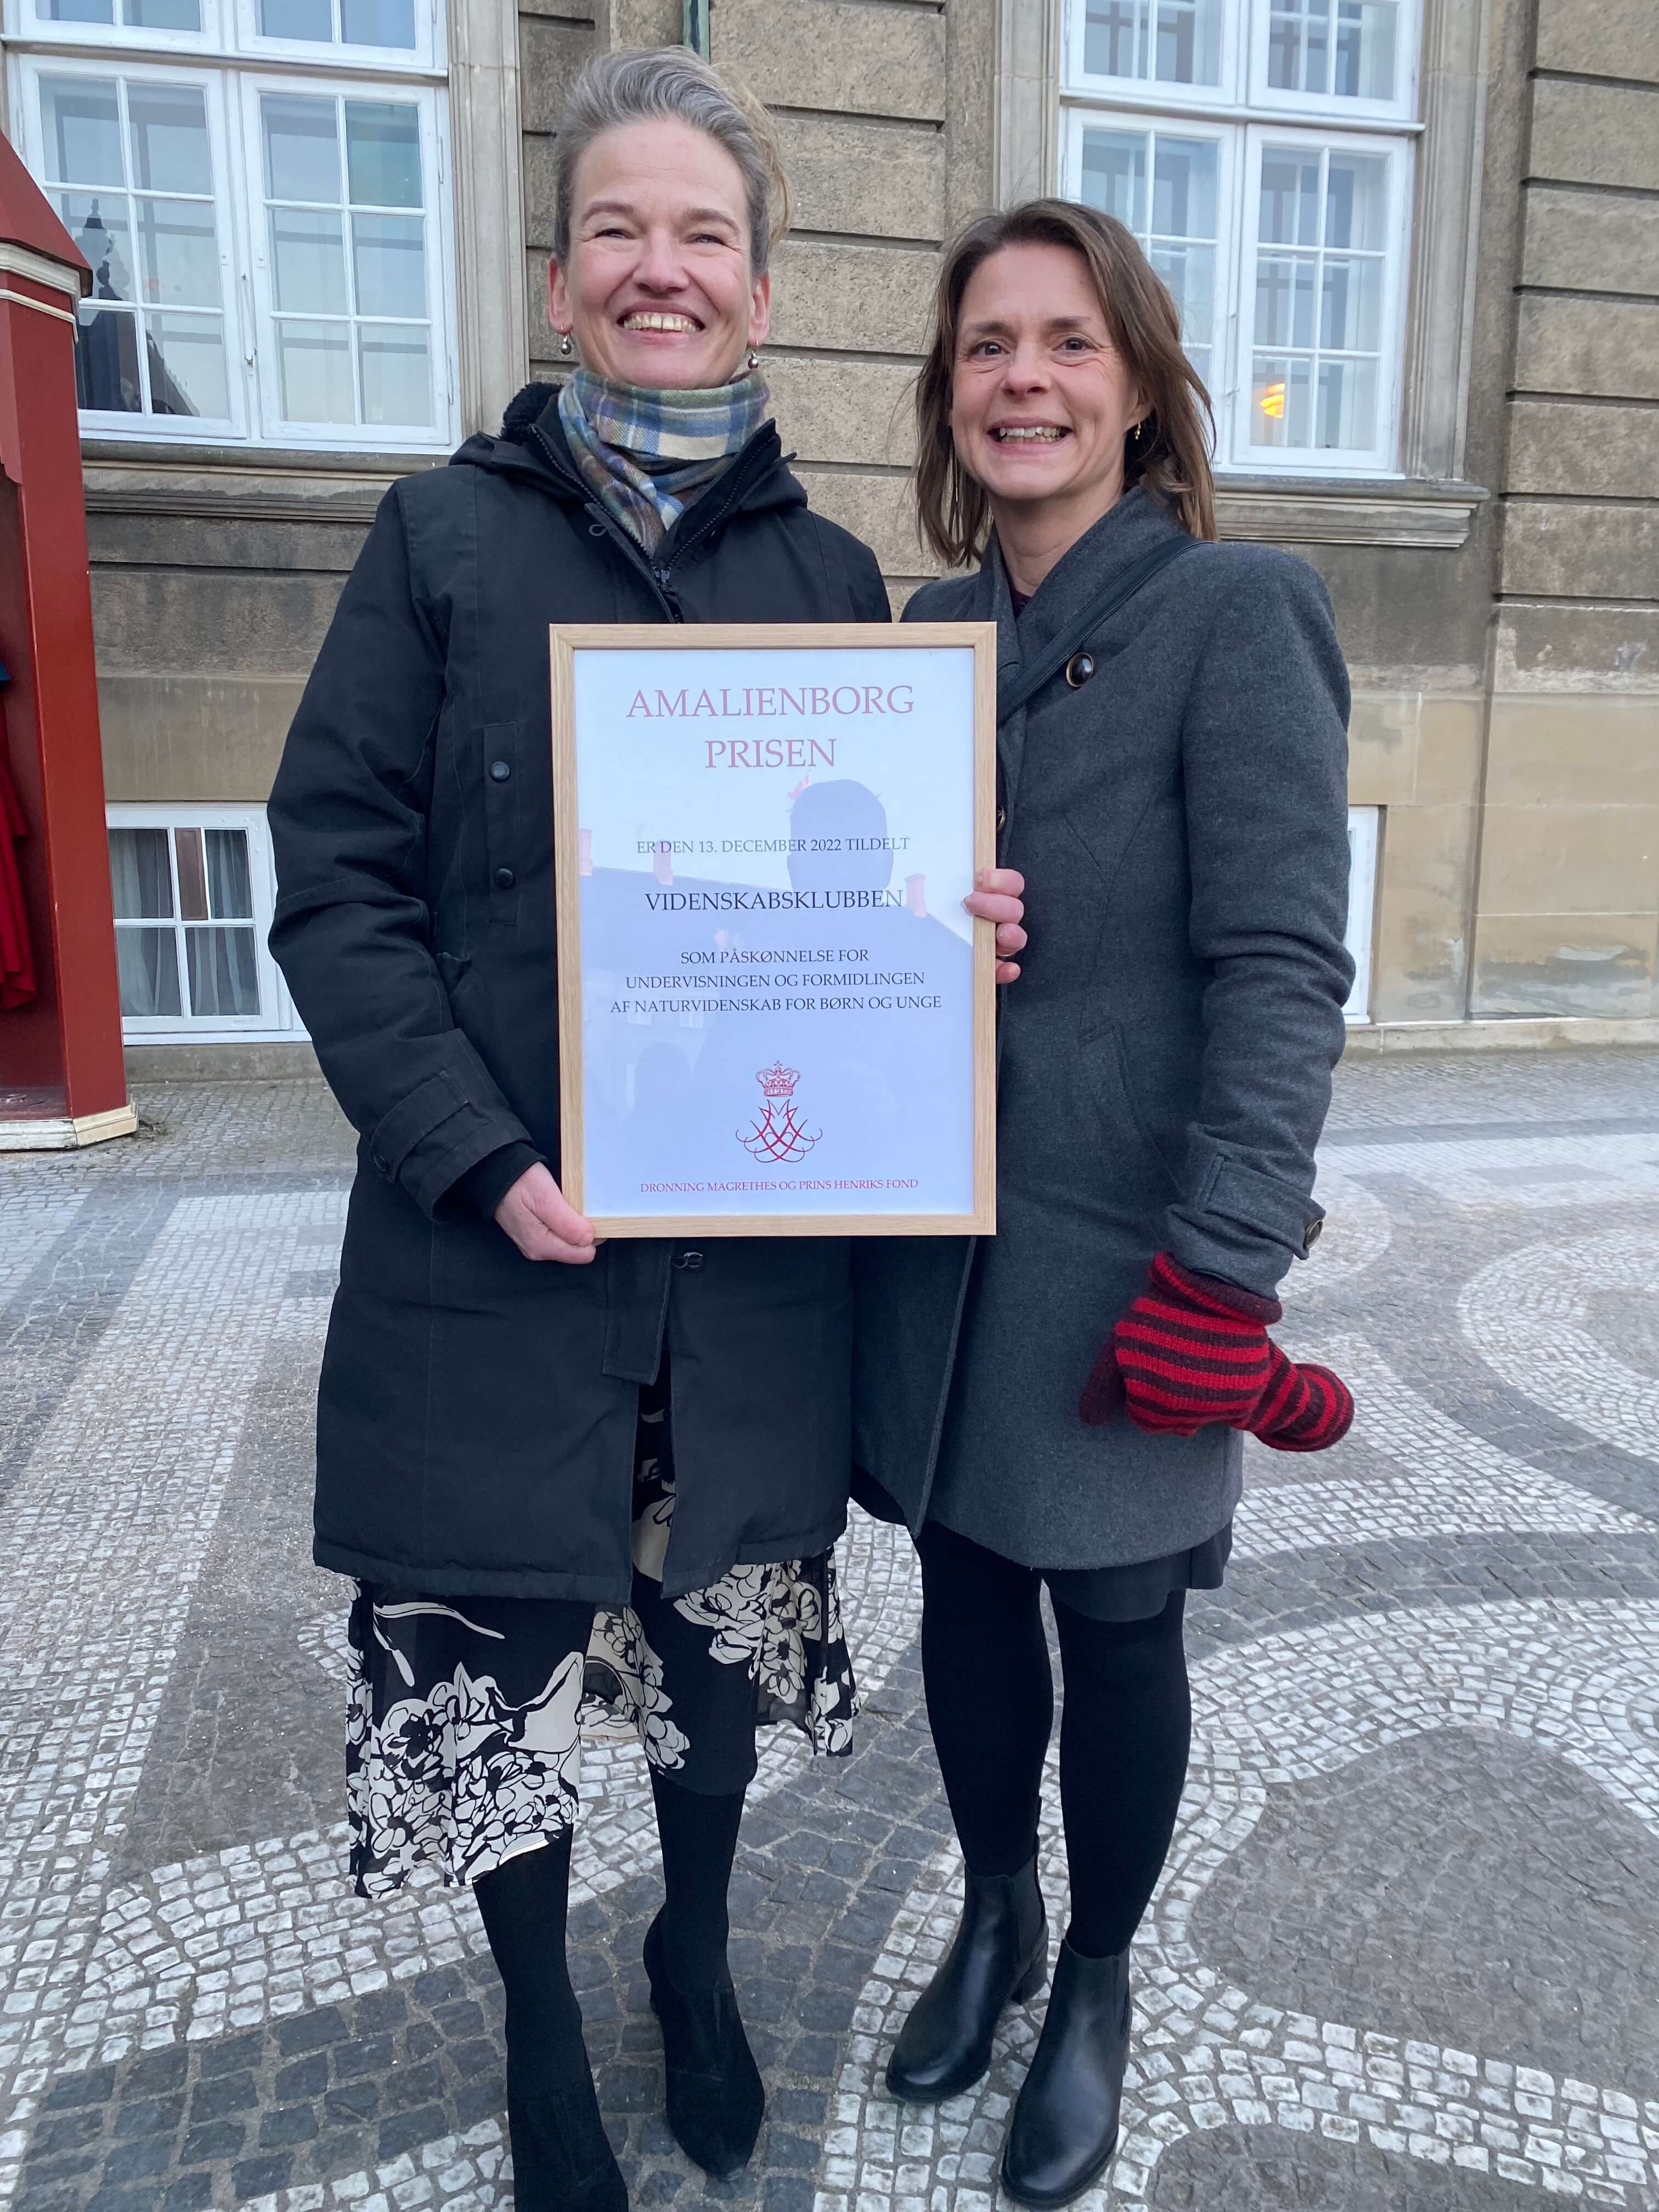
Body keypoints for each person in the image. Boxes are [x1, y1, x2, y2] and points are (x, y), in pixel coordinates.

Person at [266, 49, 1025, 2212]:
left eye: (704, 232)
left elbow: (860, 887)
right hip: (499, 1253)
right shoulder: (439, 541)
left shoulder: (831, 579)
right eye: (622, 229)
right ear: (562, 275)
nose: (661, 267)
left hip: (744, 1275)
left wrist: (945, 928)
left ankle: (692, 1956)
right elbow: (331, 876)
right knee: (496, 1687)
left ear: (764, 290)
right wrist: (468, 1146)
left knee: (710, 1648)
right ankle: (537, 2028)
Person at [853, 199, 1357, 2209]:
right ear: (947, 393)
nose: (1025, 381)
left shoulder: (1241, 616)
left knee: (1119, 1629)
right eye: (989, 346)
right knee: (966, 1598)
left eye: (1067, 343)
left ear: (1138, 386)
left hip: (1124, 1254)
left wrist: (1226, 1270)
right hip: (937, 1234)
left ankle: (1096, 1972)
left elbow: (1282, 967)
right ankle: (989, 1904)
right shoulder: (921, 641)